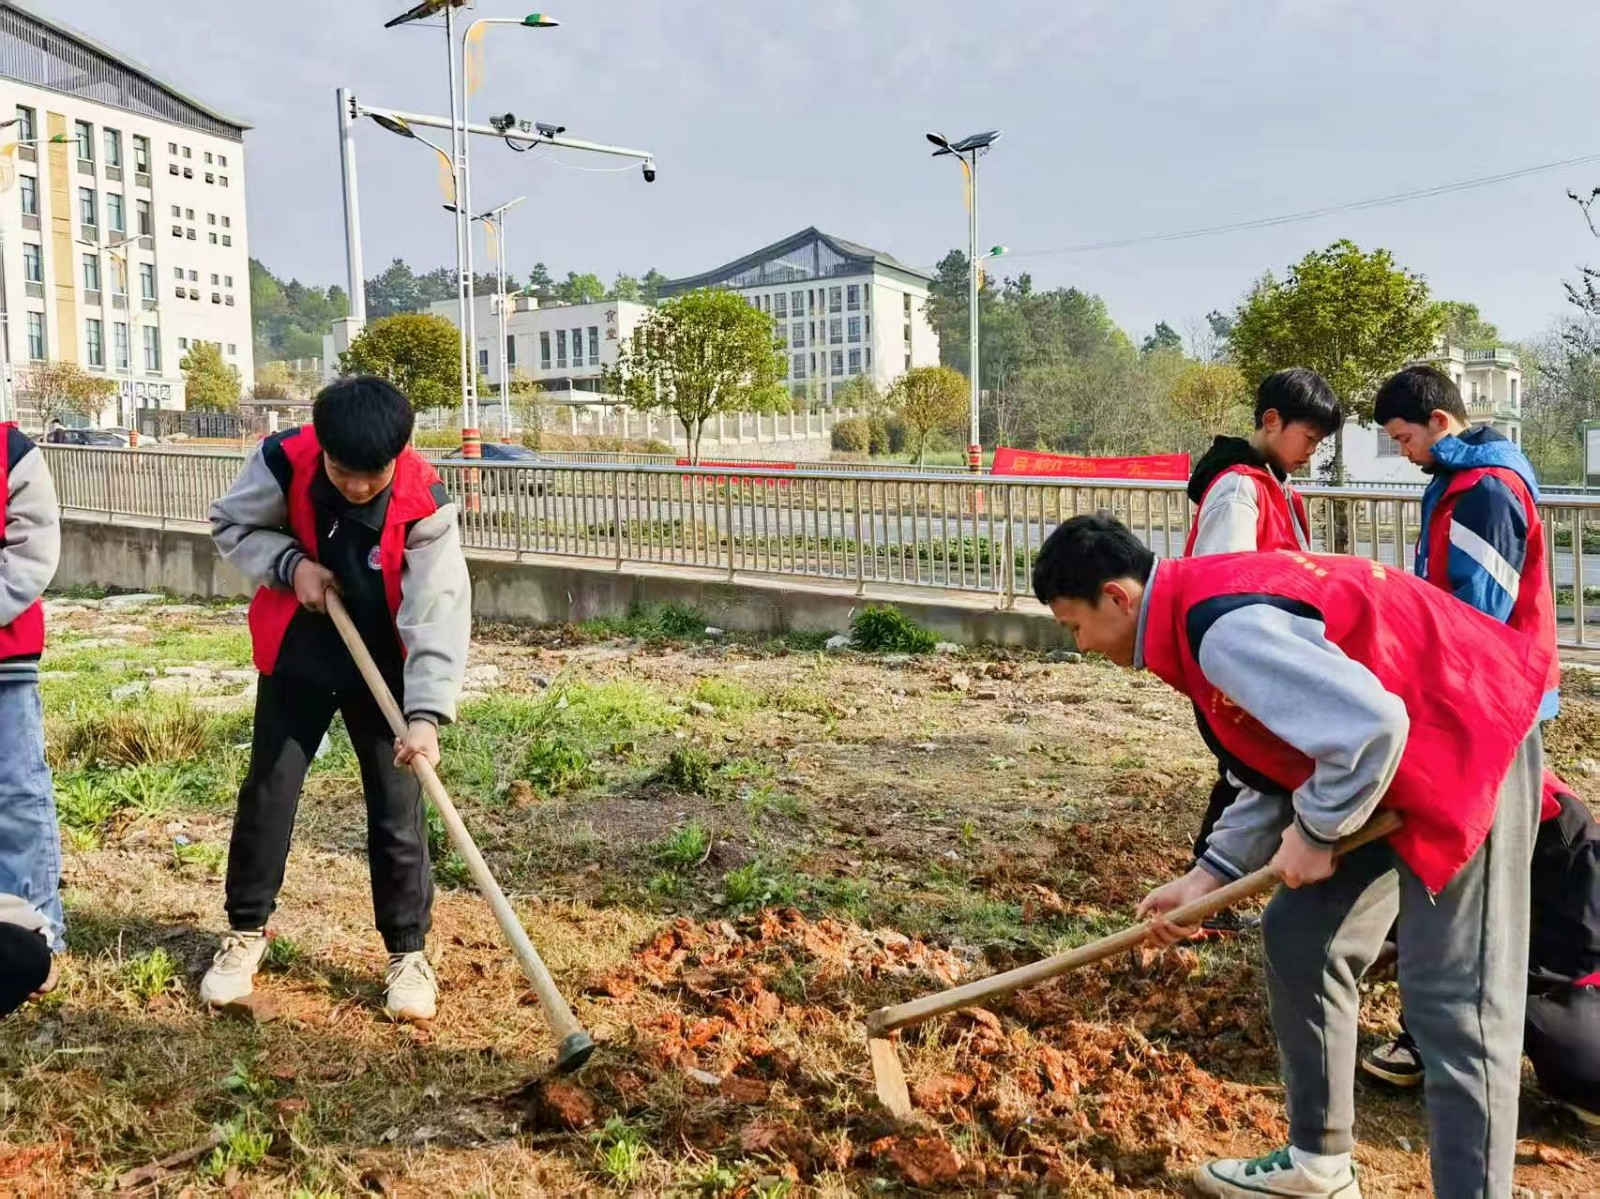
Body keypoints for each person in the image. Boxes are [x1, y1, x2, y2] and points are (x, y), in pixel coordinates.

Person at [1033, 515, 1549, 1199]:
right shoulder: (1195, 622)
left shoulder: (1221, 629)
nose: (1081, 645)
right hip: (1383, 773)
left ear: (1118, 597)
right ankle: (1320, 1165)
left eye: (1074, 626)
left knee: (1453, 1006)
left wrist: (1318, 830)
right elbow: (1276, 764)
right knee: (1302, 933)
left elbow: (1373, 724)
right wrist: (1208, 875)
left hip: (1466, 738)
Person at [206, 377, 471, 1023]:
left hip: (385, 662)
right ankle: (244, 933)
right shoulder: (282, 458)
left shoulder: (424, 502)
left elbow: (438, 613)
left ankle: (407, 952)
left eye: (370, 475)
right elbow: (232, 523)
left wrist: (426, 716)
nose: (355, 487)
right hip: (300, 650)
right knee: (269, 789)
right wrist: (292, 566)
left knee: (397, 802)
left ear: (400, 456)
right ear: (322, 446)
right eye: (342, 471)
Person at [1362, 363, 1572, 1089]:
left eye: (1404, 438)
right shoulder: (1459, 482)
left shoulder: (1484, 490)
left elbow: (1477, 620)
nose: (1404, 452)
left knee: (1460, 865)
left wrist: (1439, 704)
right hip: (1482, 698)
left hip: (1485, 703)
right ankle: (1443, 1022)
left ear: (1441, 423)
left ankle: (1442, 1032)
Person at [1184, 368, 1341, 884]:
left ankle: (1211, 888)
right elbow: (1220, 584)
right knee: (1249, 772)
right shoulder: (1237, 489)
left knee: (1253, 774)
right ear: (1272, 421)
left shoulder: (1278, 489)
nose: (1311, 452)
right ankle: (1207, 893)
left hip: (1273, 655)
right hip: (1247, 660)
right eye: (1309, 439)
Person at [0, 421, 63, 1003]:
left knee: (16, 793)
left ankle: (38, 930)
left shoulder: (12, 452)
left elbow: (32, 553)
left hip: (5, 659)